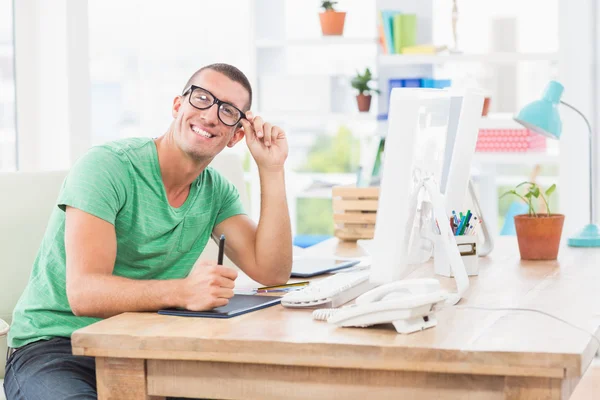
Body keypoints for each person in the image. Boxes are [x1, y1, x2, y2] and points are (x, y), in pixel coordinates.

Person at [4, 63, 292, 400]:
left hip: (148, 348)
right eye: (201, 99)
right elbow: (84, 294)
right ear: (177, 106)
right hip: (57, 348)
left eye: (227, 111)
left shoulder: (215, 192)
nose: (211, 116)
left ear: (236, 136)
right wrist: (183, 292)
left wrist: (271, 169)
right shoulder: (107, 167)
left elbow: (272, 271)